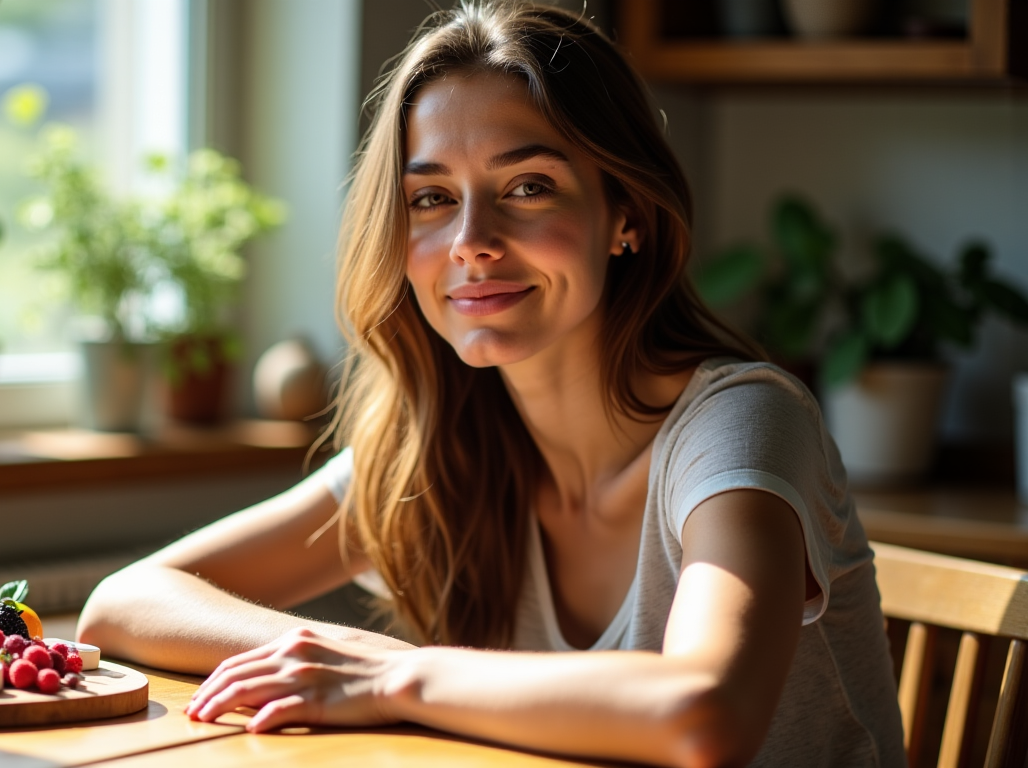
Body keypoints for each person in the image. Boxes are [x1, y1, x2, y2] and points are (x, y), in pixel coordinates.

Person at [77, 3, 905, 765]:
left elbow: (703, 710)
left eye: (528, 186)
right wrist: (357, 660)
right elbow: (125, 602)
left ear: (627, 216)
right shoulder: (439, 450)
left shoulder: (741, 422)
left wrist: (393, 678)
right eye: (432, 198)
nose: (472, 241)